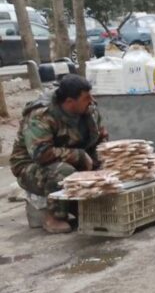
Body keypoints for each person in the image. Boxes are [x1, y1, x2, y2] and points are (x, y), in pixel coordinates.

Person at [10, 75, 107, 234]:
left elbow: (101, 137)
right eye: (85, 98)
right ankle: (54, 217)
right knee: (64, 172)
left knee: (108, 166)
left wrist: (102, 157)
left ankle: (82, 208)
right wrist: (79, 156)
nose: (91, 100)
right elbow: (41, 153)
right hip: (32, 166)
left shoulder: (89, 110)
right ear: (69, 102)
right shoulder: (42, 115)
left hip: (72, 158)